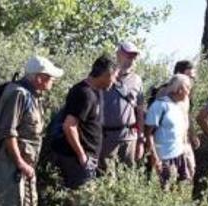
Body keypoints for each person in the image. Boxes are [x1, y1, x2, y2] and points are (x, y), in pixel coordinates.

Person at [0, 55, 63, 206]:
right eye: (50, 77)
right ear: (39, 78)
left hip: (23, 168)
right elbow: (8, 133)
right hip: (9, 167)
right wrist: (20, 163)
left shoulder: (33, 96)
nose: (53, 81)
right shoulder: (18, 94)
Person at [52, 55, 118, 189]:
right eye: (114, 77)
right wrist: (82, 155)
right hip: (77, 160)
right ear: (106, 74)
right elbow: (69, 126)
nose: (115, 81)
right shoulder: (84, 93)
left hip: (88, 158)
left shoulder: (96, 92)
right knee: (81, 201)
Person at [98, 41, 144, 174]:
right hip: (107, 137)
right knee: (106, 179)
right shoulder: (104, 76)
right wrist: (116, 71)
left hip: (129, 137)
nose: (132, 59)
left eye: (134, 56)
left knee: (127, 177)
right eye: (128, 55)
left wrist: (140, 140)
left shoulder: (137, 79)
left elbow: (140, 110)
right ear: (118, 54)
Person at [145, 74, 193, 190]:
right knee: (164, 193)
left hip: (179, 156)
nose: (189, 92)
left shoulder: (179, 106)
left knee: (181, 191)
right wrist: (155, 158)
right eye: (188, 88)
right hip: (164, 158)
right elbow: (148, 133)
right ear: (179, 89)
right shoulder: (160, 105)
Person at [156, 60, 200, 179]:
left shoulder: (187, 94)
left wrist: (192, 134)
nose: (191, 80)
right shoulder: (164, 93)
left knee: (189, 174)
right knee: (168, 178)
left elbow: (187, 115)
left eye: (193, 78)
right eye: (188, 77)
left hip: (184, 143)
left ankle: (183, 197)